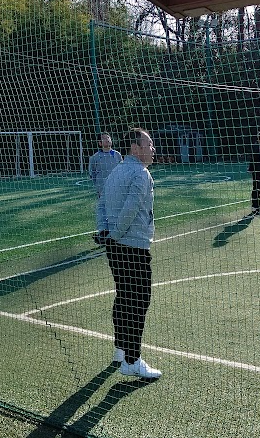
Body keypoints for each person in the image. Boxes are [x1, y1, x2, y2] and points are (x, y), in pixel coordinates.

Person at [95, 128, 161, 379]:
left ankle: (120, 350)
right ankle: (132, 361)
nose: (152, 149)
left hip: (115, 246)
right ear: (136, 148)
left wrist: (105, 231)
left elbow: (101, 204)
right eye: (149, 144)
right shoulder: (140, 174)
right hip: (132, 246)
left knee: (123, 297)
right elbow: (130, 209)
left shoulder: (115, 172)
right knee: (138, 302)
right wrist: (114, 234)